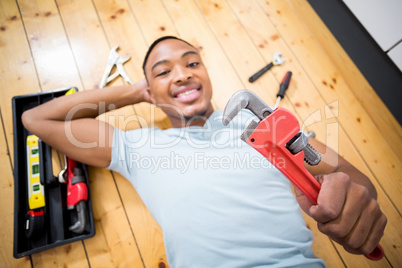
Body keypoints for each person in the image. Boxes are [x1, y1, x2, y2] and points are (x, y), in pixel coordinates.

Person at [22, 36, 387, 267]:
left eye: (192, 63)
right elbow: (37, 119)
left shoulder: (269, 131)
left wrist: (356, 209)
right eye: (163, 72)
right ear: (150, 89)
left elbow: (358, 185)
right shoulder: (138, 146)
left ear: (207, 74)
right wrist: (132, 92)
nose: (182, 75)